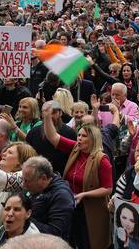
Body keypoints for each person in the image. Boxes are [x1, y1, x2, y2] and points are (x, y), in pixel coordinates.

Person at [42, 104, 113, 249]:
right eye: (79, 135)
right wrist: (47, 117)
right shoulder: (75, 148)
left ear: (93, 139)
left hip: (90, 210)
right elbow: (52, 137)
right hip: (71, 204)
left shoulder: (102, 159)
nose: (79, 138)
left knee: (88, 242)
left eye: (84, 136)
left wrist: (84, 194)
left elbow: (108, 188)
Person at [21, 156, 75, 240]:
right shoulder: (34, 188)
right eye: (22, 179)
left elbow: (56, 234)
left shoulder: (61, 196)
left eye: (27, 181)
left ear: (44, 178)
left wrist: (23, 220)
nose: (23, 184)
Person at [26, 101, 77, 174]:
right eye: (46, 112)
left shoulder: (70, 133)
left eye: (53, 112)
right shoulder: (34, 132)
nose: (49, 116)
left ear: (60, 113)